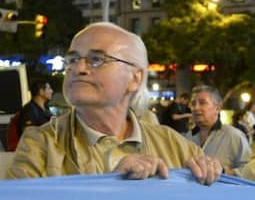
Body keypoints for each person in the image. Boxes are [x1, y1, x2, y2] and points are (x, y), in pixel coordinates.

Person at [6, 22, 221, 183]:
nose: (79, 68)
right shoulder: (41, 144)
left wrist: (210, 171)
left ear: (135, 78)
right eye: (72, 60)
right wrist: (110, 184)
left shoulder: (174, 144)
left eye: (96, 59)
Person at [185, 85, 251, 176]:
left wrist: (223, 173)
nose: (196, 108)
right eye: (193, 104)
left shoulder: (234, 135)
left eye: (202, 103)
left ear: (217, 108)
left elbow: (250, 169)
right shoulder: (187, 137)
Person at [7, 80, 54, 152]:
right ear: (41, 91)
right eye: (49, 88)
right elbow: (28, 134)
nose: (52, 91)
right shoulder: (29, 110)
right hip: (34, 152)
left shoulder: (46, 109)